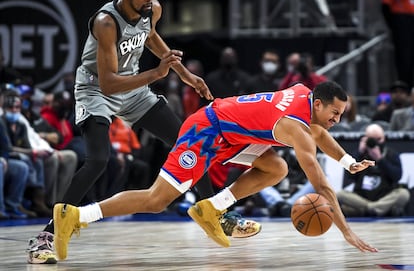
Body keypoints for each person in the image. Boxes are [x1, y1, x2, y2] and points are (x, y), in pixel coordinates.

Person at [26, 0, 258, 264]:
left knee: (191, 140)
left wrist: (185, 74)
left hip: (134, 88)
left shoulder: (152, 9)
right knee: (98, 160)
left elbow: (151, 38)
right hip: (96, 89)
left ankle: (213, 210)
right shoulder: (106, 22)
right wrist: (158, 73)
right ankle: (48, 233)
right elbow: (109, 82)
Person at [52, 81, 379, 262]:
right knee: (156, 200)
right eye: (334, 113)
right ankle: (76, 215)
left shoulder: (304, 94)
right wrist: (346, 232)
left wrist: (348, 161)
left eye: (341, 114)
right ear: (318, 105)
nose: (337, 120)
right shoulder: (295, 128)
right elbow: (321, 187)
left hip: (231, 134)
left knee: (275, 166)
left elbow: (322, 134)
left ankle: (212, 207)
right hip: (206, 130)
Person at [337, 123, 410, 217]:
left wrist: (380, 159)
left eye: (379, 139)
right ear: (366, 139)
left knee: (403, 194)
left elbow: (397, 177)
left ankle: (368, 209)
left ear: (384, 138)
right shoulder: (359, 155)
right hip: (361, 198)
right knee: (339, 194)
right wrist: (359, 153)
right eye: (372, 140)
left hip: (384, 197)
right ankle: (375, 209)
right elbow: (349, 176)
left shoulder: (391, 154)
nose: (376, 143)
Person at [381, 0, 414, 88]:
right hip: (400, 21)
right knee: (403, 55)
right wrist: (394, 25)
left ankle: (411, 86)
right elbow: (385, 5)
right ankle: (404, 85)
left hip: (411, 20)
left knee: (411, 56)